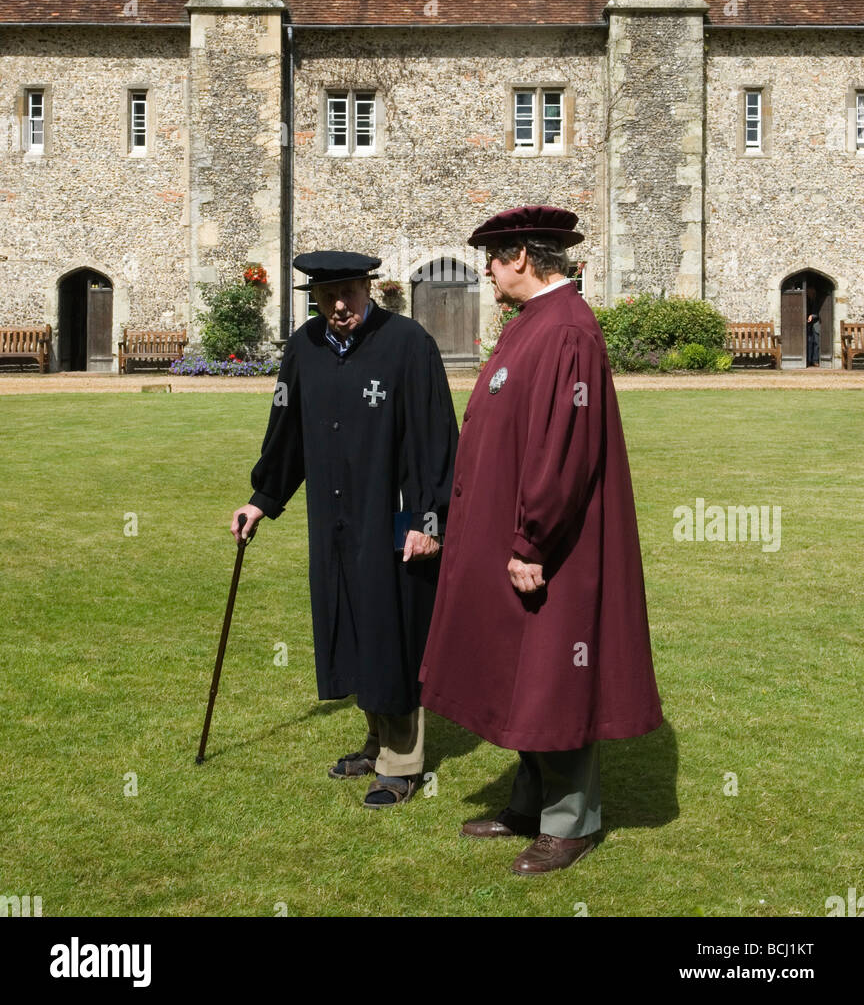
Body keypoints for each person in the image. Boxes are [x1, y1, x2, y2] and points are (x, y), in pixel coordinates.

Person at [420, 206, 663, 874]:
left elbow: (563, 451)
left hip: (553, 549)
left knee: (558, 676)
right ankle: (529, 802)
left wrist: (531, 543)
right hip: (513, 539)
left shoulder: (567, 333)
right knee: (522, 673)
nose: (488, 274)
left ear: (521, 258)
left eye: (493, 261)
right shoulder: (533, 326)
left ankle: (572, 822)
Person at [231, 251, 459, 808]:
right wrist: (263, 499)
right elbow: (286, 432)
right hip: (332, 520)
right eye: (326, 297)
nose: (338, 306)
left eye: (349, 294)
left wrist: (427, 522)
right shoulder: (304, 348)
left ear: (367, 289)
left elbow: (435, 442)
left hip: (393, 520)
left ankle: (402, 763)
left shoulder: (408, 344)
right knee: (352, 627)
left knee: (391, 629)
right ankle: (376, 740)